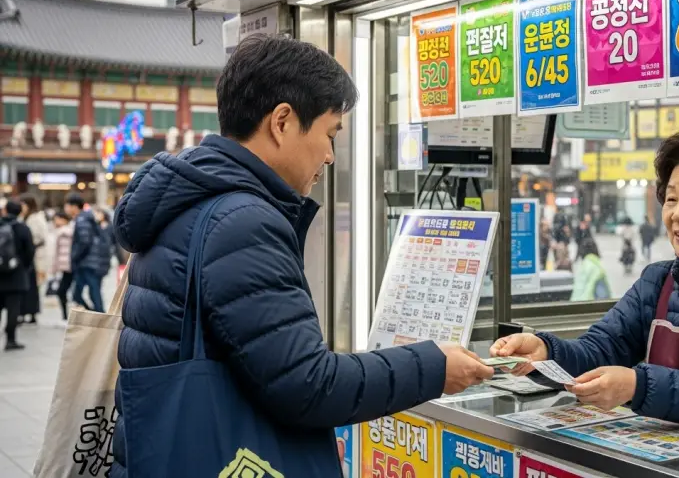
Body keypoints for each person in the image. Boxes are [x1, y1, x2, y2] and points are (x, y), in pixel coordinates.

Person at [109, 35, 492, 478]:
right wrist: (434, 366)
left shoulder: (187, 201)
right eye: (329, 134)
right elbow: (308, 385)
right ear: (283, 121)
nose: (330, 155)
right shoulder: (242, 220)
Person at [490, 125, 679, 426]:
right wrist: (545, 351)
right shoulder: (657, 282)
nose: (678, 213)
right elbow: (599, 349)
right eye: (671, 199)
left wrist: (638, 385)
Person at [0, 199, 35, 350]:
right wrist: (24, 267)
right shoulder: (23, 228)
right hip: (17, 274)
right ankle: (10, 340)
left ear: (5, 210)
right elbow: (30, 252)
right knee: (13, 309)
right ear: (20, 211)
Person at [64, 193, 106, 312]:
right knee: (85, 293)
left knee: (92, 293)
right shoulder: (85, 218)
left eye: (67, 205)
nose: (65, 208)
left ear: (74, 207)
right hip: (89, 262)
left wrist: (75, 256)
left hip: (87, 263)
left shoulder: (82, 219)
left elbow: (84, 241)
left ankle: (99, 317)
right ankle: (96, 315)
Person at [18, 195, 47, 323]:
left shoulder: (37, 218)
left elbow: (43, 237)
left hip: (35, 256)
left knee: (33, 287)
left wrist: (31, 243)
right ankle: (24, 312)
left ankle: (32, 313)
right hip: (25, 256)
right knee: (26, 286)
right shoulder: (22, 217)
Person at [49, 211, 74, 321]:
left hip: (68, 267)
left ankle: (65, 316)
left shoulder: (62, 233)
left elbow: (58, 253)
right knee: (64, 292)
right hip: (69, 266)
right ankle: (65, 316)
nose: (55, 222)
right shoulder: (70, 231)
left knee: (62, 292)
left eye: (56, 219)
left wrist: (54, 268)